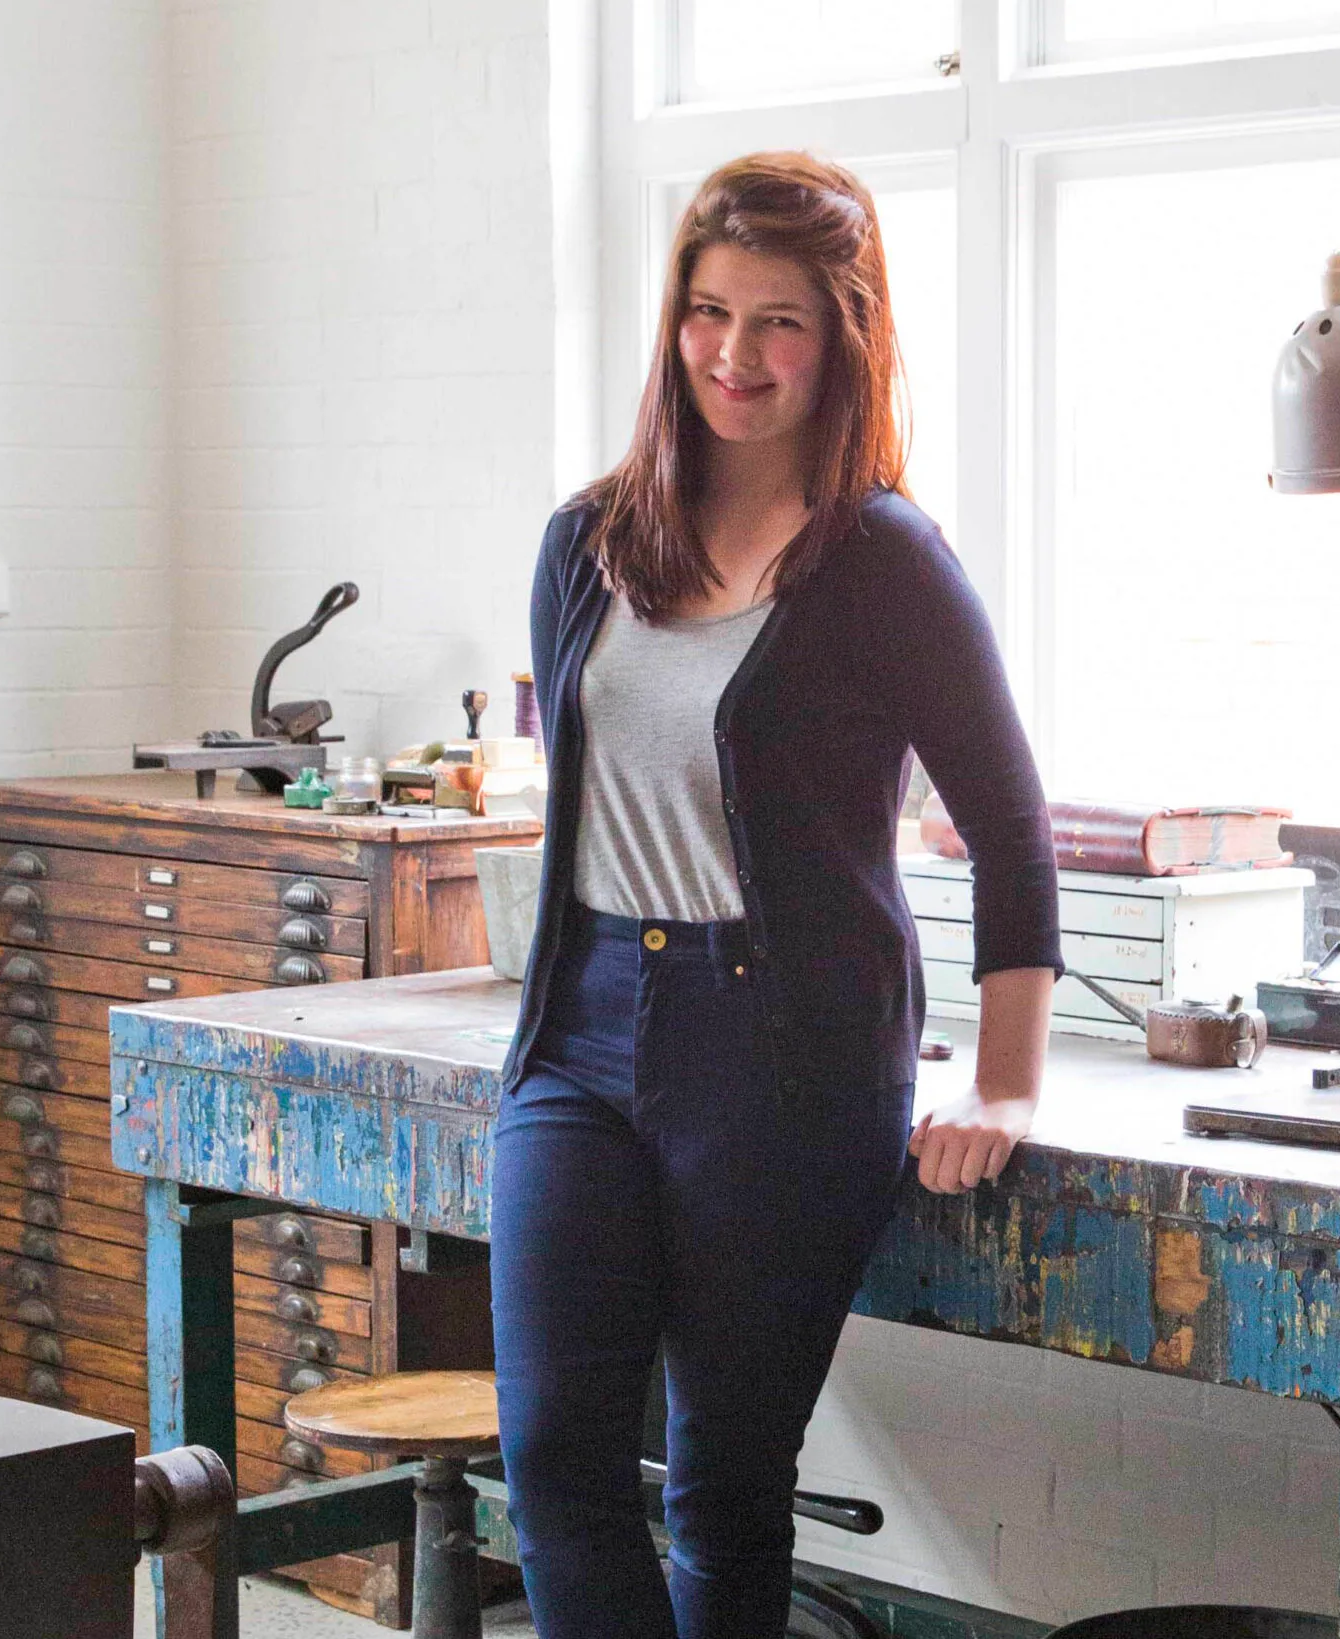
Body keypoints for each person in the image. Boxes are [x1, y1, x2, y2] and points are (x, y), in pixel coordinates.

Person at [493, 150, 1062, 1639]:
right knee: (554, 1459)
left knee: (724, 1485)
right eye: (708, 312)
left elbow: (1009, 824)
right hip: (581, 1030)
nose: (735, 357)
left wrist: (1003, 1084)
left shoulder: (883, 559)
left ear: (846, 337)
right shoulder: (588, 541)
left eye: (781, 323)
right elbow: (588, 791)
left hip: (788, 1051)